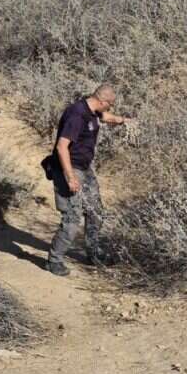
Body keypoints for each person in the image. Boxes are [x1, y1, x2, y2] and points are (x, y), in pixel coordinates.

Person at [47, 84, 129, 276]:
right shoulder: (76, 115)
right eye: (110, 104)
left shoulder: (92, 111)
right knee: (72, 217)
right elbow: (61, 147)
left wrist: (123, 120)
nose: (110, 108)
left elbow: (104, 117)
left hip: (85, 168)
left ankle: (93, 254)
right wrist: (70, 177)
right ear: (102, 101)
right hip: (69, 169)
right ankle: (54, 261)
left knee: (95, 212)